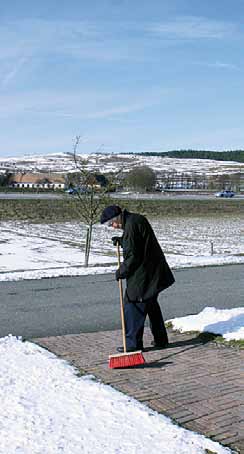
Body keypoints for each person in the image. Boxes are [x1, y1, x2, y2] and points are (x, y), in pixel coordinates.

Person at [100, 205, 175, 353]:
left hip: (145, 273)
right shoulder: (135, 220)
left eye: (112, 223)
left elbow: (133, 256)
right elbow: (138, 243)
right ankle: (161, 339)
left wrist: (121, 271)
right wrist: (122, 241)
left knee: (133, 303)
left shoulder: (131, 226)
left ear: (118, 218)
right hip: (154, 271)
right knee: (151, 303)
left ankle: (132, 345)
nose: (113, 227)